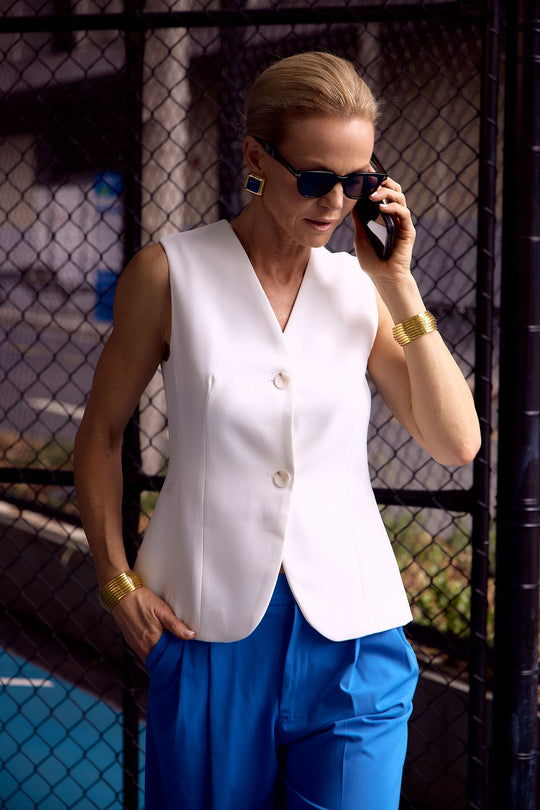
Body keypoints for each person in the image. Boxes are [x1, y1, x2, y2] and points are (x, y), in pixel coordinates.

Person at [74, 51, 481, 810]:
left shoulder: (362, 291)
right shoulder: (170, 275)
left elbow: (457, 442)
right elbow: (98, 436)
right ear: (257, 157)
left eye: (356, 182)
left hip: (356, 641)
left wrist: (399, 284)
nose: (335, 203)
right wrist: (116, 581)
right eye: (316, 178)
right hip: (205, 633)